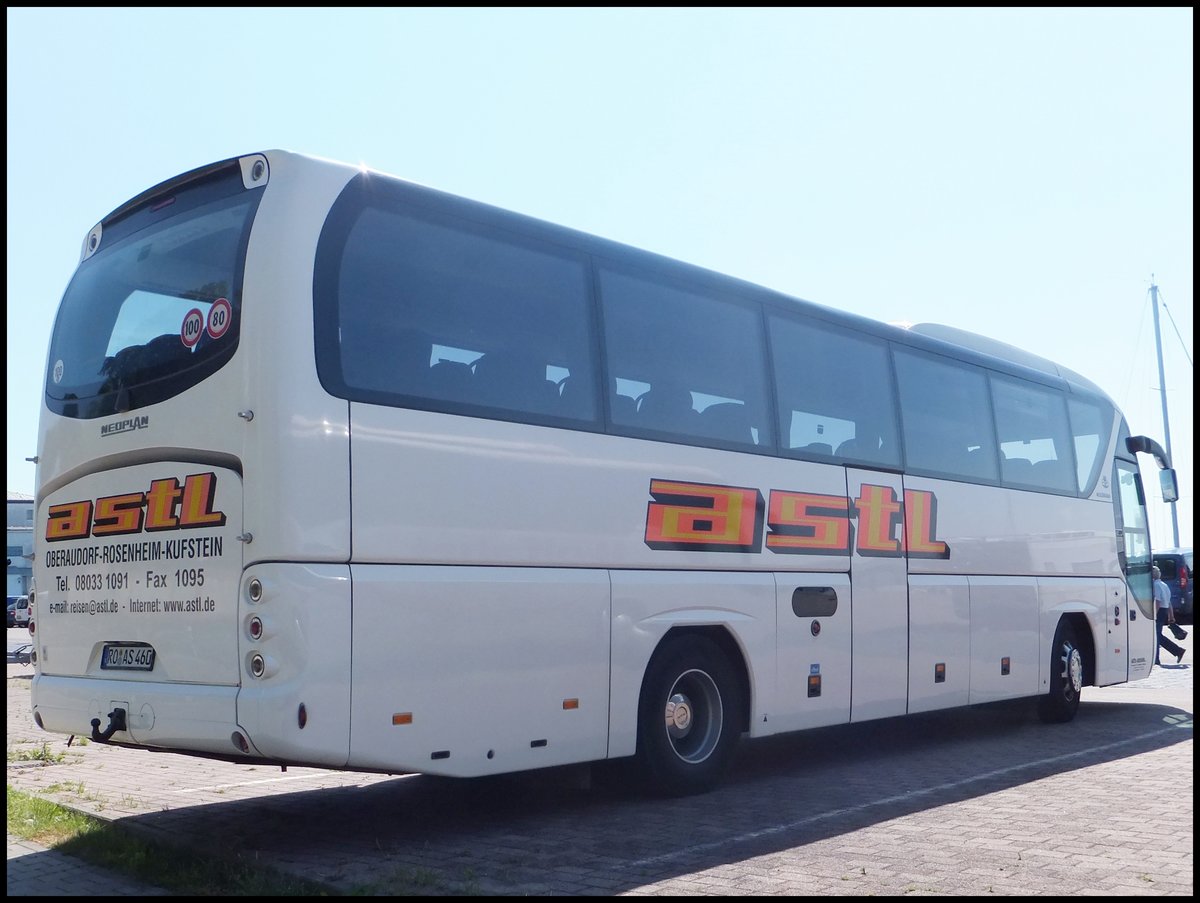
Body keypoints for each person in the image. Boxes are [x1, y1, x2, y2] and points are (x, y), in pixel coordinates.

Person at [1153, 565, 1185, 665]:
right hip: (1165, 610)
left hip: (1159, 611)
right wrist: (1171, 616)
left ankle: (1156, 659)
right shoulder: (1164, 585)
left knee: (1156, 636)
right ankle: (1177, 651)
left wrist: (1154, 614)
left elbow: (1157, 601)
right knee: (1157, 635)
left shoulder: (1156, 585)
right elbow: (1169, 602)